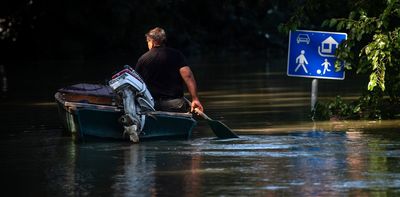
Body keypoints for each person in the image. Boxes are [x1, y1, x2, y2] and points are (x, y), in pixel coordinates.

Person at [135, 27, 203, 113]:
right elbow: (188, 75)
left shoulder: (143, 59)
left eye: (148, 42)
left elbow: (136, 83)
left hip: (152, 105)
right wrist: (195, 99)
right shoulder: (177, 55)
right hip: (175, 104)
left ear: (151, 42)